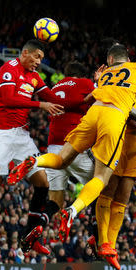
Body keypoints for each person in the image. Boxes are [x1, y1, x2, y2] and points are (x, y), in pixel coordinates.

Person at [8, 44, 136, 257]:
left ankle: (34, 163)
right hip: (106, 124)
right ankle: (88, 227)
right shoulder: (111, 76)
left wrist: (99, 81)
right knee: (103, 183)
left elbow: (84, 100)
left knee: (57, 187)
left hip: (61, 140)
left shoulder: (64, 86)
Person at [0, 39, 66, 264]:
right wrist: (40, 106)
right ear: (25, 53)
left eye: (41, 58)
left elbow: (50, 96)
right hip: (1, 134)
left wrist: (79, 94)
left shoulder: (34, 76)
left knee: (43, 183)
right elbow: (9, 100)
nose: (39, 62)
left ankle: (29, 237)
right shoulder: (9, 69)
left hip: (21, 136)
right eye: (36, 57)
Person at [88, 99, 136, 270]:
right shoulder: (118, 92)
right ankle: (102, 242)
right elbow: (125, 113)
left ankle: (110, 247)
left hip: (133, 150)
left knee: (122, 199)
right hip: (116, 144)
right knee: (108, 194)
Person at [44, 61, 100, 232]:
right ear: (82, 75)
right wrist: (98, 81)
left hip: (53, 147)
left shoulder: (54, 88)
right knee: (100, 184)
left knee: (55, 201)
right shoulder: (84, 83)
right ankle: (95, 234)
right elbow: (103, 96)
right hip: (74, 145)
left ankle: (39, 224)